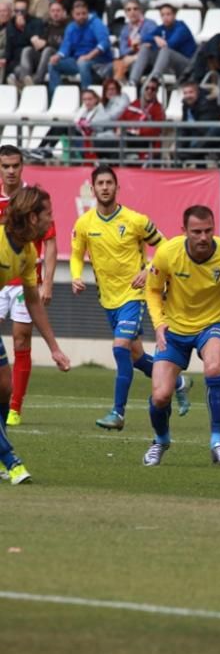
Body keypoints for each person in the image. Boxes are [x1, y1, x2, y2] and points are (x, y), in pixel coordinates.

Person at [142, 205, 220, 468]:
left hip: (213, 325)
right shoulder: (168, 253)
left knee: (213, 368)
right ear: (184, 231)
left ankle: (218, 443)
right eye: (196, 231)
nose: (203, 237)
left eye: (208, 231)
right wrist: (159, 324)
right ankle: (160, 440)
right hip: (175, 330)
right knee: (160, 396)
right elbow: (153, 290)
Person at [70, 165, 193, 431]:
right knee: (136, 357)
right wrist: (76, 276)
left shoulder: (135, 220)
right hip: (108, 300)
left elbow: (165, 245)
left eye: (109, 183)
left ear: (116, 187)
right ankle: (179, 383)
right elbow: (77, 254)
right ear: (92, 189)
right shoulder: (84, 224)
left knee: (119, 347)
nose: (104, 187)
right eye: (100, 183)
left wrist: (148, 270)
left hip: (134, 296)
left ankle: (118, 412)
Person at [0, 184, 71, 484]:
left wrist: (54, 347)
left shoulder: (28, 252)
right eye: (48, 214)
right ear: (32, 217)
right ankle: (9, 459)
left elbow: (32, 300)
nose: (51, 220)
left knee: (4, 387)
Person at [0, 146, 56, 428]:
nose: (10, 170)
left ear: (22, 167)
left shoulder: (32, 200)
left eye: (15, 165)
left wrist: (47, 280)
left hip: (25, 278)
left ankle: (15, 407)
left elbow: (50, 240)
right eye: (5, 166)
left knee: (21, 341)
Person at [46, 0, 111, 98]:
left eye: (84, 13)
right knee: (53, 64)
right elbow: (66, 46)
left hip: (98, 60)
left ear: (87, 12)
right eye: (78, 14)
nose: (81, 16)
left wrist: (89, 56)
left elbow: (104, 43)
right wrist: (58, 56)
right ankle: (56, 98)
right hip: (78, 60)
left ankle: (87, 97)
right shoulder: (71, 27)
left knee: (83, 64)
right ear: (72, 14)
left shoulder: (96, 23)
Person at [135, 3, 197, 83]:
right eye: (162, 15)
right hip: (169, 65)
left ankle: (154, 80)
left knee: (165, 50)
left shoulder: (181, 27)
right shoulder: (162, 28)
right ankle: (133, 81)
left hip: (186, 65)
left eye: (168, 14)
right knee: (145, 48)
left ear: (174, 15)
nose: (165, 17)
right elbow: (144, 37)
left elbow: (170, 45)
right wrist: (155, 38)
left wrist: (154, 43)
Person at [11, 0, 66, 86]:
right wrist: (37, 41)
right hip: (44, 59)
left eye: (58, 11)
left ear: (63, 12)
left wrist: (46, 44)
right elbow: (39, 44)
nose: (55, 13)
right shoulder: (47, 25)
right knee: (27, 50)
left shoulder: (68, 26)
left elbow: (66, 46)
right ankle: (24, 79)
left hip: (59, 58)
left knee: (48, 49)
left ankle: (36, 80)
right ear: (49, 12)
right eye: (53, 11)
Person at [112, 0, 157, 85]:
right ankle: (120, 87)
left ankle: (131, 85)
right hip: (130, 60)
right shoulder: (125, 29)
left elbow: (151, 45)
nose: (132, 12)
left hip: (149, 60)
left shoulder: (150, 24)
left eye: (135, 9)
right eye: (128, 10)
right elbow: (123, 51)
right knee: (114, 65)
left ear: (140, 10)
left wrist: (133, 57)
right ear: (125, 13)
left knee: (129, 64)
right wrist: (132, 49)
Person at [177, 80, 220, 161]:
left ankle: (187, 156)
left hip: (211, 138)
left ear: (197, 92)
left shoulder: (207, 103)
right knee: (178, 144)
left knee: (193, 145)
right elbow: (184, 127)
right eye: (185, 93)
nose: (188, 95)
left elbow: (203, 128)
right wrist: (180, 147)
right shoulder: (185, 106)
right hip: (196, 136)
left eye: (190, 92)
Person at [120, 77, 166, 159]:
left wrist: (137, 131)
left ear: (156, 92)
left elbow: (155, 130)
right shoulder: (134, 103)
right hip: (128, 137)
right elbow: (121, 119)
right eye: (147, 88)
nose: (149, 91)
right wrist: (118, 128)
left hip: (145, 142)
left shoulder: (159, 109)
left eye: (153, 89)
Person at [4, 0, 43, 85]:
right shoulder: (11, 25)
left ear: (28, 10)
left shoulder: (36, 22)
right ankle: (22, 85)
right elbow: (9, 46)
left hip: (32, 57)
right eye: (17, 11)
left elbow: (36, 44)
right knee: (17, 70)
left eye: (22, 11)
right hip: (17, 61)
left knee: (27, 50)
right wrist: (5, 59)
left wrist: (24, 28)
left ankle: (21, 85)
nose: (19, 14)